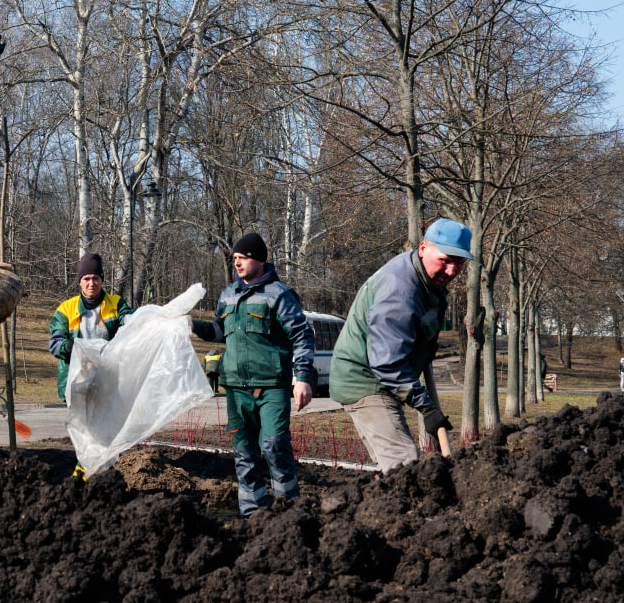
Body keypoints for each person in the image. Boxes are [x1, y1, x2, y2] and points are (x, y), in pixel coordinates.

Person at [329, 218, 471, 472]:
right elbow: (387, 362)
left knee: (396, 470)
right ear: (424, 248)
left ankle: (378, 506)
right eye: (445, 260)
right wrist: (425, 407)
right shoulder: (400, 291)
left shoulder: (425, 279)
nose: (451, 271)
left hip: (381, 377)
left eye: (459, 264)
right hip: (366, 380)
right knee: (404, 464)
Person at [191, 233, 315, 515]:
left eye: (243, 258)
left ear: (259, 259)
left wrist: (303, 378)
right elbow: (219, 332)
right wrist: (194, 326)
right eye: (235, 258)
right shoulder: (227, 295)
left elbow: (302, 335)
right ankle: (254, 515)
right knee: (244, 454)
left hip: (271, 386)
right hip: (236, 388)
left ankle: (289, 512)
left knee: (274, 447)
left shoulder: (279, 295)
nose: (237, 263)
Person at [48, 253, 133, 403]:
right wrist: (68, 346)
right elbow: (54, 345)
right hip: (77, 386)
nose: (91, 283)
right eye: (86, 279)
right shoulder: (66, 309)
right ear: (80, 282)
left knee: (109, 426)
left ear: (101, 281)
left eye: (96, 278)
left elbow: (131, 323)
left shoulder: (116, 304)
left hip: (108, 383)